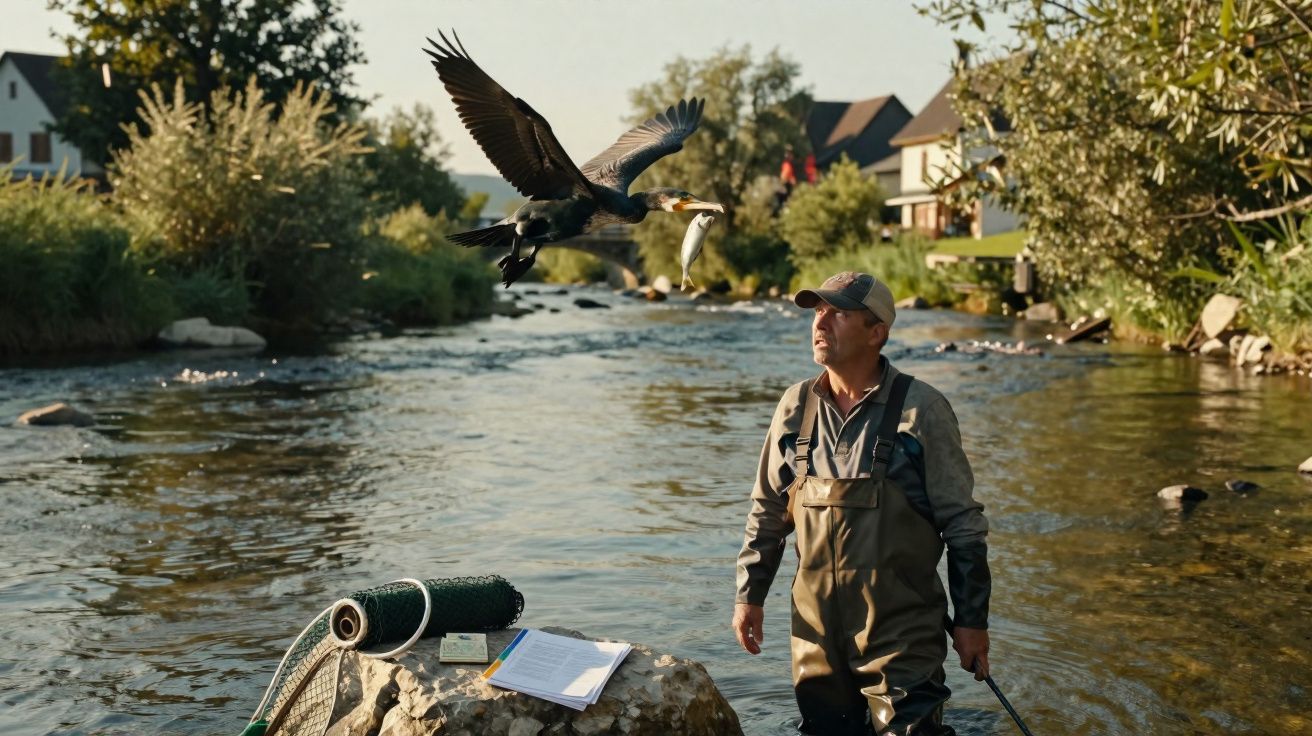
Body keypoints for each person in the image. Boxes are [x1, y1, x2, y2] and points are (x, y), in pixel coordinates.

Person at [733, 271, 992, 736]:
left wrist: (972, 622)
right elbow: (768, 512)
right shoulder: (795, 407)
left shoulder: (923, 411)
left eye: (839, 313)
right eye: (818, 311)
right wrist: (749, 595)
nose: (821, 323)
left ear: (877, 332)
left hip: (902, 636)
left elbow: (963, 528)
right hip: (814, 636)